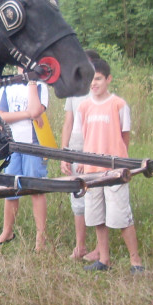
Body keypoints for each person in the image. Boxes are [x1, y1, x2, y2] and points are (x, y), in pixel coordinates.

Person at [76, 58, 144, 273]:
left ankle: (136, 261)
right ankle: (103, 260)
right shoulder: (83, 106)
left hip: (114, 170)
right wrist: (82, 161)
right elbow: (83, 137)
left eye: (97, 78)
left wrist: (119, 162)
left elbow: (125, 136)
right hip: (91, 171)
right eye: (90, 79)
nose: (93, 83)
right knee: (97, 217)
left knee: (121, 216)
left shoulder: (119, 104)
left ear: (108, 79)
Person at [0, 68, 49, 252]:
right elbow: (1, 115)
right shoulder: (8, 87)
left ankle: (41, 236)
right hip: (12, 144)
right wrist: (27, 114)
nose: (24, 69)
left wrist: (32, 82)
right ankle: (7, 231)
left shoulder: (40, 86)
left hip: (34, 143)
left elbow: (36, 110)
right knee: (10, 188)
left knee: (36, 189)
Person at [59, 49, 99, 262]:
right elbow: (69, 122)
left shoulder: (97, 92)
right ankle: (80, 246)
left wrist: (88, 156)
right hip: (74, 149)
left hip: (93, 151)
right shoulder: (73, 92)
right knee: (77, 198)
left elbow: (95, 127)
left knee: (98, 197)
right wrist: (65, 153)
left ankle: (101, 248)